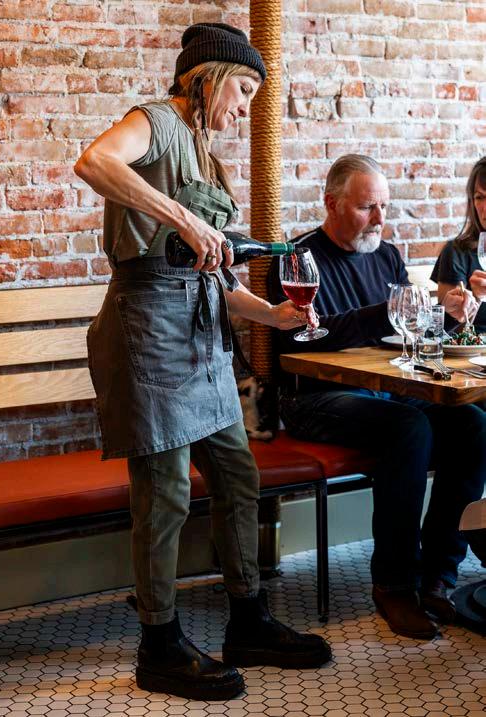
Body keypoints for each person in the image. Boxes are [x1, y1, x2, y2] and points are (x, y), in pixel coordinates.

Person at [74, 22, 331, 702]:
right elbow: (94, 162)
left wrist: (272, 315)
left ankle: (248, 620)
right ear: (208, 77)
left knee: (237, 474)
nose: (245, 108)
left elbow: (213, 274)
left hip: (202, 334)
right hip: (149, 332)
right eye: (243, 89)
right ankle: (158, 645)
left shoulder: (207, 156)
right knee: (165, 493)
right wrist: (184, 220)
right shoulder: (156, 123)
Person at [267, 154, 486, 641]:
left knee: (472, 424)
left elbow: (409, 333)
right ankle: (394, 584)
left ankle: (439, 573)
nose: (380, 219)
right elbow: (304, 340)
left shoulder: (385, 255)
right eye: (368, 207)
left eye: (384, 206)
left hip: (384, 393)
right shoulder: (298, 261)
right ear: (332, 203)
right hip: (314, 399)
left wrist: (449, 317)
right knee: (410, 428)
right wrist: (384, 313)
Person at [431, 156, 486, 332]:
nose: (485, 208)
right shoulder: (456, 252)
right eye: (479, 197)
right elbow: (444, 333)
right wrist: (477, 298)